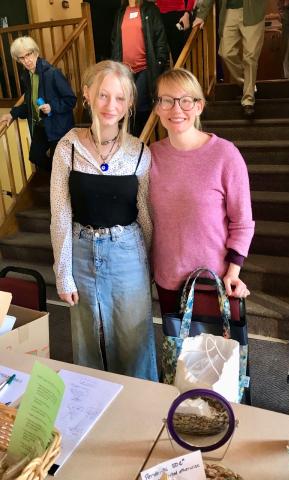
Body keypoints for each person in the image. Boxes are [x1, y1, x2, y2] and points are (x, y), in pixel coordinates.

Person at [50, 60, 158, 381]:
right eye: (103, 95)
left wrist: (147, 265)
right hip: (81, 251)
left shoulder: (140, 152)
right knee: (87, 341)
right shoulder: (67, 147)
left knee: (134, 339)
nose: (112, 105)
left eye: (121, 98)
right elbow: (60, 214)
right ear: (87, 94)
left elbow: (146, 215)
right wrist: (63, 274)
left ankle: (142, 410)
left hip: (128, 251)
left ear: (129, 104)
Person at [150, 68, 255, 318]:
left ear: (199, 106)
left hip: (213, 280)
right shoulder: (151, 155)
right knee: (177, 353)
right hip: (168, 280)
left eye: (186, 100)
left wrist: (233, 272)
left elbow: (242, 221)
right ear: (157, 108)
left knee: (215, 354)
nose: (176, 109)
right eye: (167, 100)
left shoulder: (225, 155)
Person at [0, 36, 76, 171]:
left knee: (58, 163)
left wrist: (52, 106)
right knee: (35, 156)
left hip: (58, 126)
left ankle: (59, 182)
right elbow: (30, 104)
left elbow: (71, 100)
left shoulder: (52, 73)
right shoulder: (27, 76)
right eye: (22, 58)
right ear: (18, 60)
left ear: (36, 52)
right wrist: (12, 114)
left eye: (29, 54)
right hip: (42, 125)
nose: (27, 60)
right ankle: (56, 179)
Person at [193, 0, 267, 117]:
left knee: (250, 57)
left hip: (253, 12)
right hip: (229, 11)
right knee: (226, 53)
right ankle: (247, 83)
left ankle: (248, 100)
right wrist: (201, 15)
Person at [111, 0, 169, 136]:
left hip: (145, 68)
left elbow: (160, 36)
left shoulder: (150, 9)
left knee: (137, 105)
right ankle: (135, 143)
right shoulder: (120, 12)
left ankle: (144, 140)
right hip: (125, 71)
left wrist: (160, 61)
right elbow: (114, 40)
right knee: (129, 109)